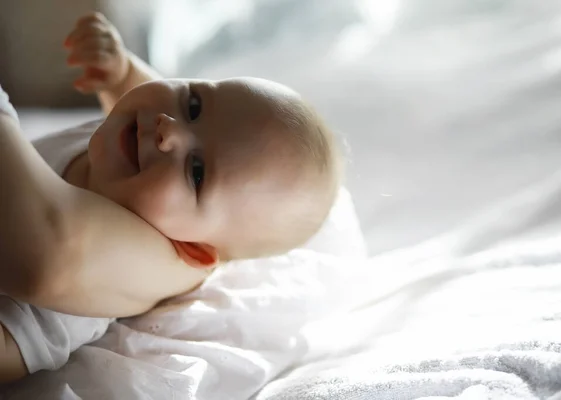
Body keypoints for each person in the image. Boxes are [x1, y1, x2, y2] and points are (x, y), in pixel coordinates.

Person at [0, 12, 341, 382]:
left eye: (197, 173)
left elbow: (46, 256)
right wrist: (120, 71)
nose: (169, 130)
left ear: (193, 250)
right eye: (194, 105)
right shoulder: (136, 142)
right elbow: (158, 90)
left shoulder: (146, 256)